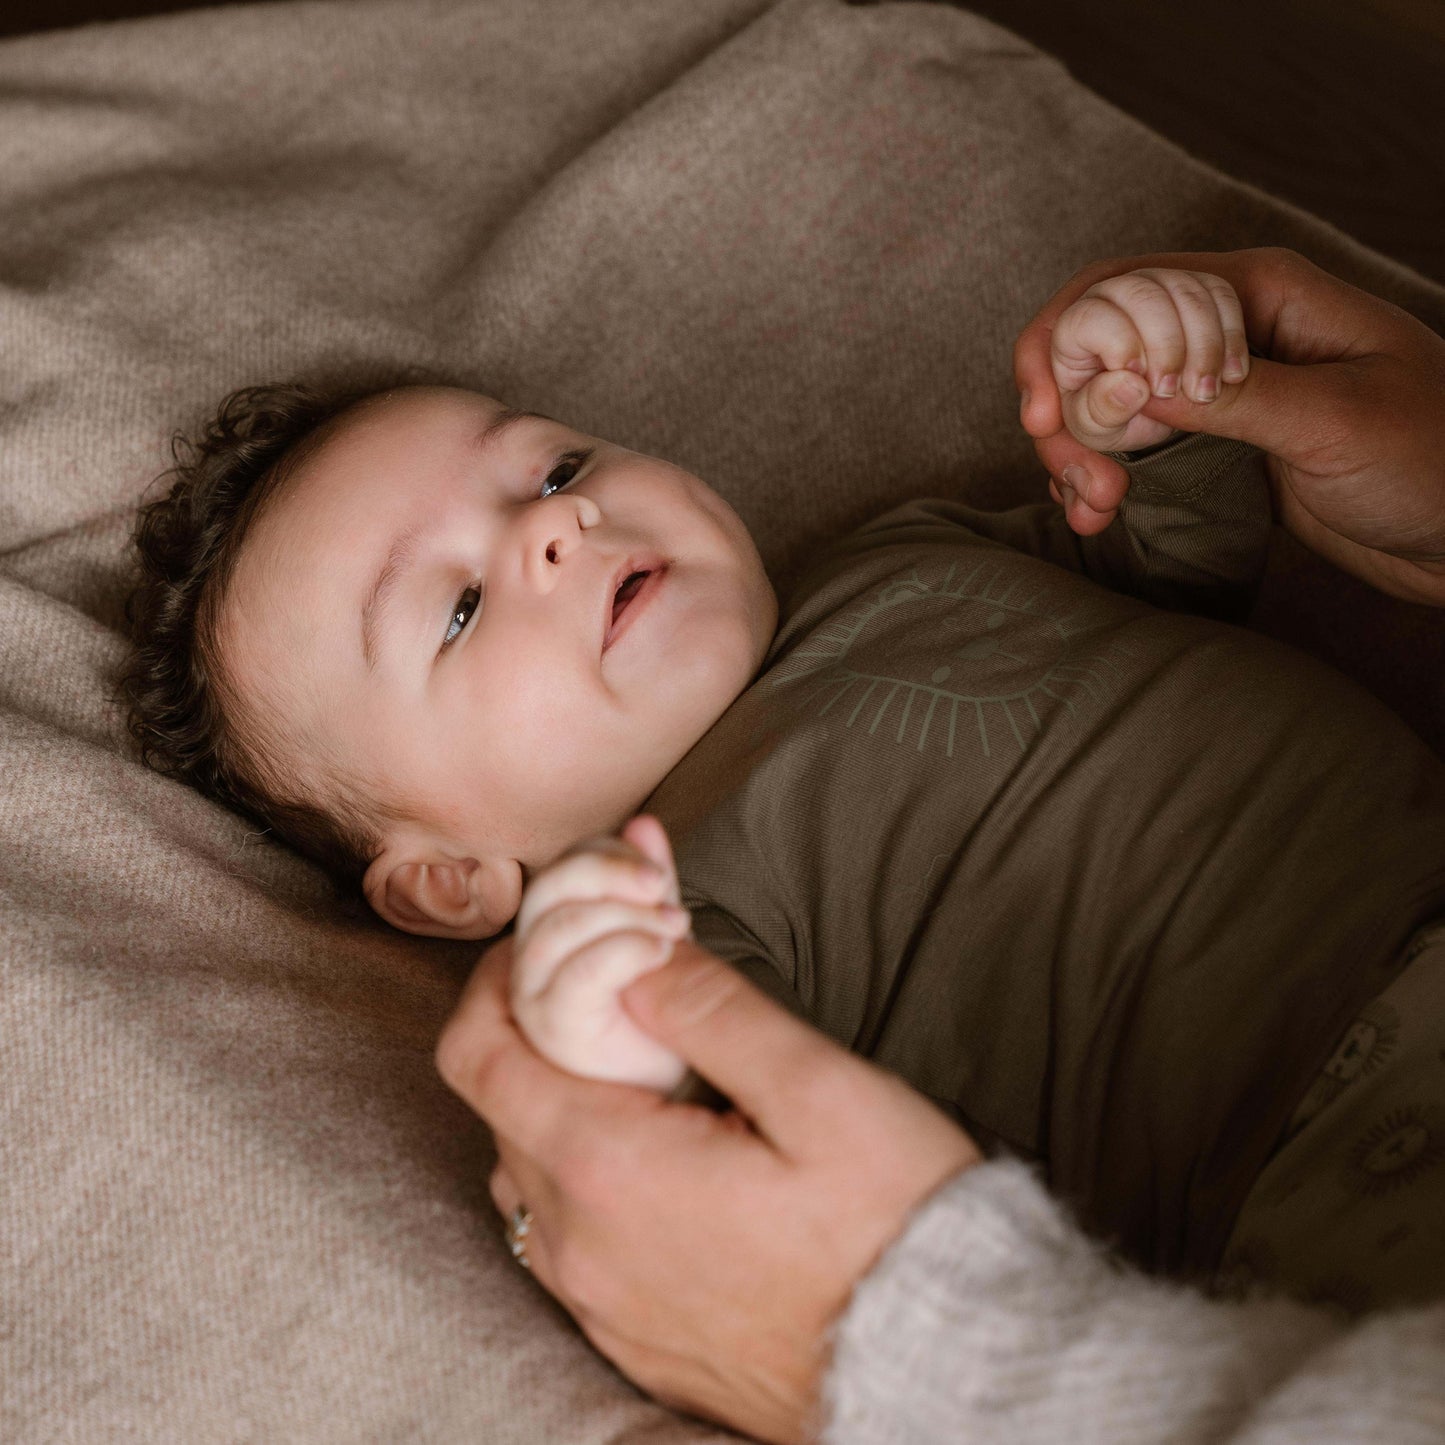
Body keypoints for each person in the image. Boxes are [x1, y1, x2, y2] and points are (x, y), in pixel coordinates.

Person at [431, 247, 1445, 1444]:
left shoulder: (892, 555)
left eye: (554, 466)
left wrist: (1150, 423)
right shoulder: (671, 898)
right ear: (452, 875)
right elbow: (738, 1175)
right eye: (455, 606)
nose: (556, 521)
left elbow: (1169, 567)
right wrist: (600, 1033)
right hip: (1319, 1124)